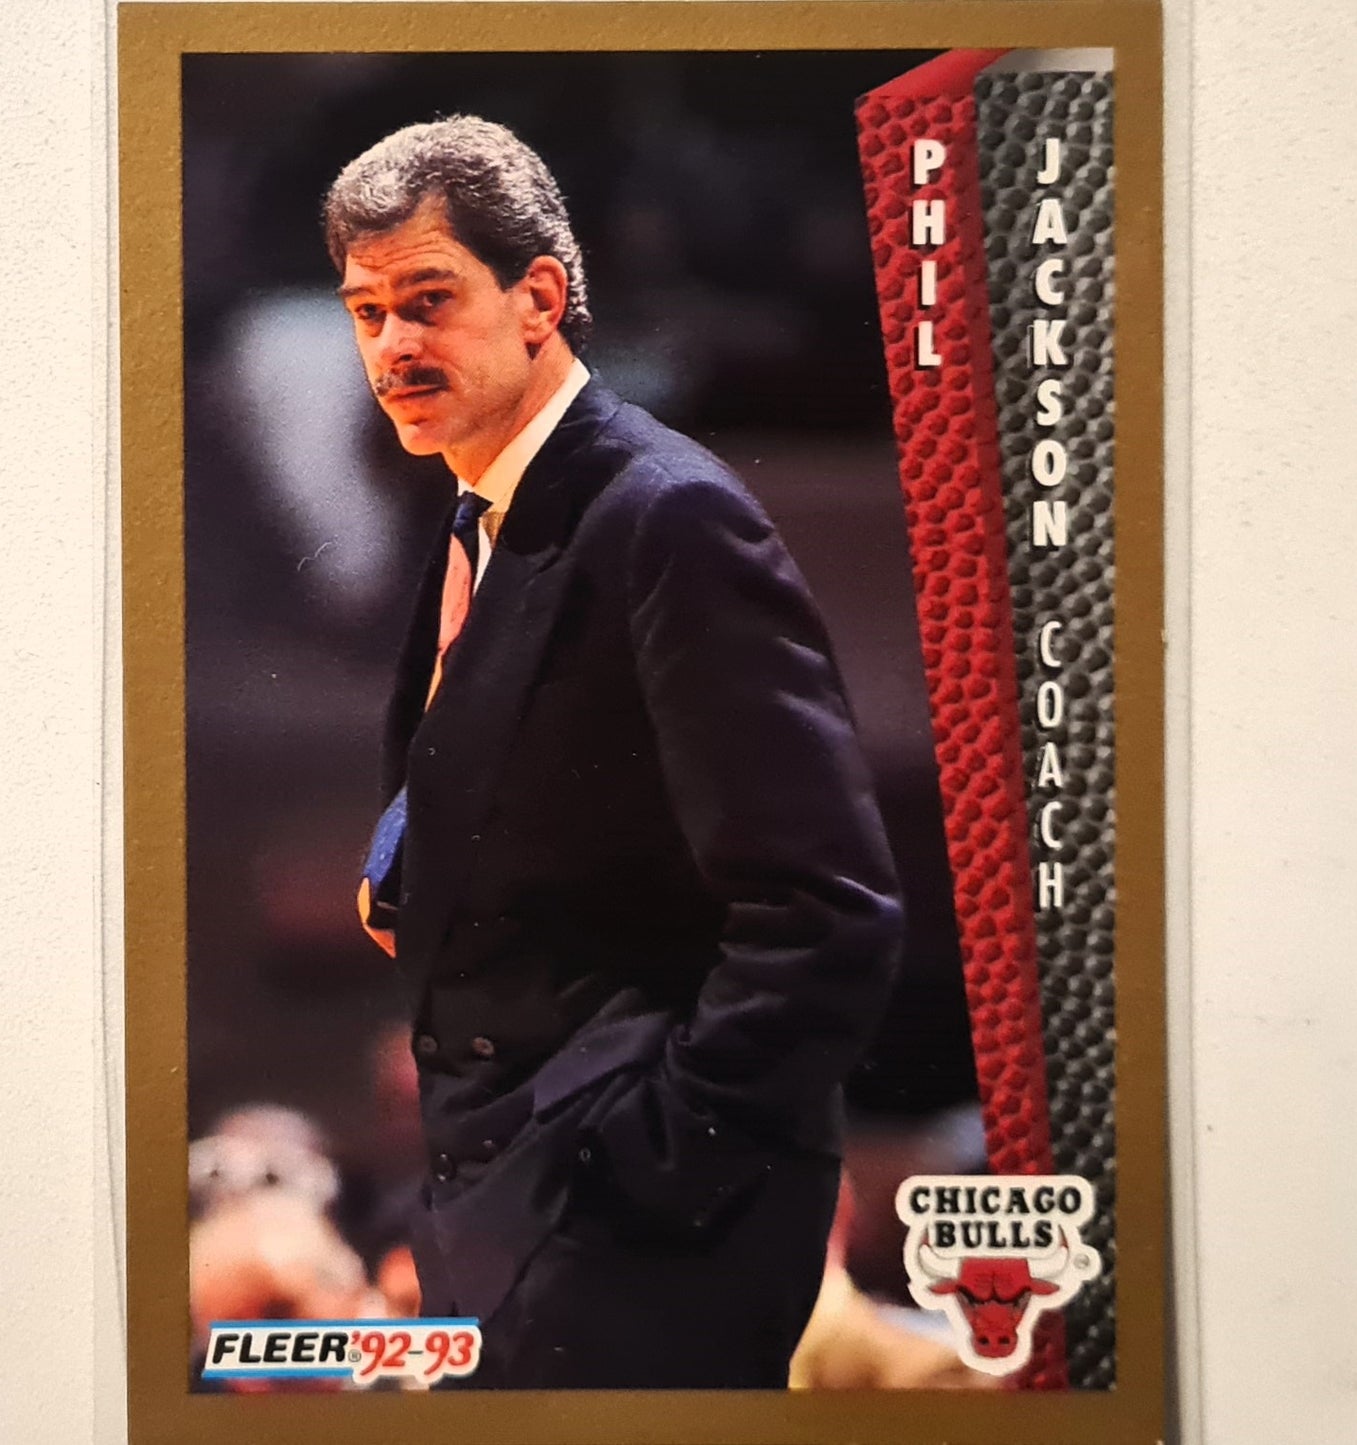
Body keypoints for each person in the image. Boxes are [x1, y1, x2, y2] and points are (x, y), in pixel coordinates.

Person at [323, 115, 903, 1388]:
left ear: (538, 297)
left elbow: (826, 913)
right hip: (510, 1207)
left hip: (635, 1229)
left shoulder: (666, 515)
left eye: (428, 300)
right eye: (367, 313)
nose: (393, 344)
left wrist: (634, 1164)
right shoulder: (482, 507)